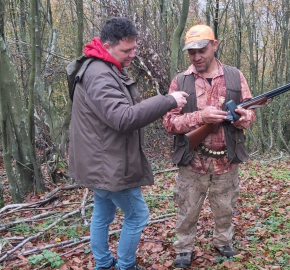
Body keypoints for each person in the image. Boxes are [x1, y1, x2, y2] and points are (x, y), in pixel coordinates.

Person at [68, 17, 189, 270]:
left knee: (102, 213)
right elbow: (122, 118)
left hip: (101, 161)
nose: (133, 55)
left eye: (134, 48)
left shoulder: (101, 67)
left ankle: (103, 264)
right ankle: (126, 265)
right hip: (109, 164)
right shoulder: (100, 74)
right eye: (127, 50)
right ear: (107, 45)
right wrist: (168, 100)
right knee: (137, 215)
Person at [162, 24, 256, 268]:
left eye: (202, 50)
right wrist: (200, 118)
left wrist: (244, 118)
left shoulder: (236, 76)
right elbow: (169, 123)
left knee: (225, 208)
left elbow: (250, 112)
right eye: (191, 53)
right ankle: (184, 249)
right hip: (193, 162)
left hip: (226, 160)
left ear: (215, 45)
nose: (196, 57)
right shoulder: (180, 81)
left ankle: (223, 242)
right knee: (187, 211)